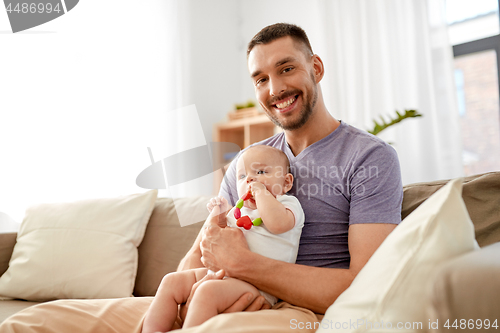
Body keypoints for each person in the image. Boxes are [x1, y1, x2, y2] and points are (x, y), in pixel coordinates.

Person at [177, 22, 403, 327]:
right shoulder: (248, 163)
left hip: (305, 313)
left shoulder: (370, 158)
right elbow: (196, 257)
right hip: (222, 300)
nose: (275, 89)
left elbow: (368, 285)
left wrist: (246, 267)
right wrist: (197, 298)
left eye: (286, 69)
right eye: (261, 79)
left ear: (317, 68)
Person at [141, 145, 305, 333]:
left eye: (260, 172)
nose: (250, 179)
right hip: (221, 275)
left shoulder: (287, 204)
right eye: (242, 176)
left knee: (206, 292)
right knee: (171, 281)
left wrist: (260, 192)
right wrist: (217, 213)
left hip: (258, 287)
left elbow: (277, 224)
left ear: (286, 182)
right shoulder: (239, 210)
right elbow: (213, 234)